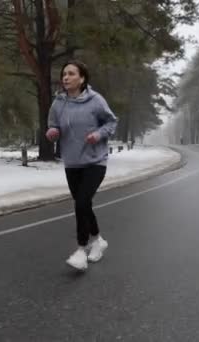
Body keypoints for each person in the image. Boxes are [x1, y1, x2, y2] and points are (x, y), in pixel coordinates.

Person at [45, 60, 118, 271]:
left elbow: (111, 122)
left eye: (71, 74)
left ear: (82, 78)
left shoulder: (96, 101)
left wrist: (98, 134)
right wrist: (53, 132)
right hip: (72, 162)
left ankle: (81, 249)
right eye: (64, 74)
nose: (65, 77)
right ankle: (98, 240)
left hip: (95, 161)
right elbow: (53, 125)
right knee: (83, 204)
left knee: (81, 203)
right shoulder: (59, 103)